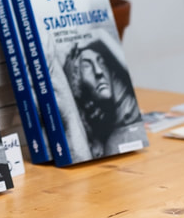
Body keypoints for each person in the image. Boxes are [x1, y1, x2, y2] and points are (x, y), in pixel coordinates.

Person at [59, 28, 143, 160]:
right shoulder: (114, 143)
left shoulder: (126, 103)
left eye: (101, 62)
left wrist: (100, 35)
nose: (99, 71)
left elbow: (129, 74)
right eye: (87, 66)